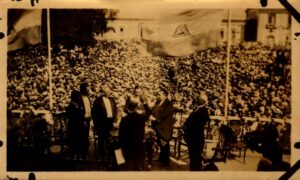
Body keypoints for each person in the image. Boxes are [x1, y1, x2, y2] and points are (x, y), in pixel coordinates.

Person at [118, 96, 151, 170]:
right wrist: (145, 104)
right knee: (136, 164)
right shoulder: (141, 118)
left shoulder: (124, 119)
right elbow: (148, 113)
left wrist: (121, 145)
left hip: (127, 148)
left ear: (128, 109)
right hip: (137, 146)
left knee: (127, 164)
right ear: (136, 108)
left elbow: (120, 135)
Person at [183, 92, 210, 171]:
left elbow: (197, 125)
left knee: (196, 158)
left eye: (198, 99)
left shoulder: (203, 111)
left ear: (202, 101)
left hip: (196, 138)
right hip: (193, 138)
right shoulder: (198, 109)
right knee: (192, 158)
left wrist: (187, 126)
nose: (196, 100)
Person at [92, 83, 118, 164]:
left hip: (111, 122)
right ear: (103, 91)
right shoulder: (98, 101)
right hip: (102, 123)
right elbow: (94, 114)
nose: (109, 91)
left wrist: (114, 121)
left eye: (109, 90)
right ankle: (101, 156)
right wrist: (97, 125)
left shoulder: (112, 100)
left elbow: (115, 111)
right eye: (107, 90)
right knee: (101, 140)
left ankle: (110, 154)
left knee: (111, 139)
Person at [151, 88, 175, 167]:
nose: (158, 96)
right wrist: (152, 115)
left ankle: (165, 162)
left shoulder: (169, 104)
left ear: (165, 96)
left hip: (165, 127)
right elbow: (153, 110)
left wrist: (156, 119)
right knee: (160, 143)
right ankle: (161, 158)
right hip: (158, 126)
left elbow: (165, 114)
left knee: (164, 144)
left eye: (160, 94)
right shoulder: (158, 102)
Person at [66, 90, 84, 159]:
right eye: (79, 97)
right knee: (74, 143)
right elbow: (74, 118)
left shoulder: (77, 106)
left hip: (77, 127)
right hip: (74, 128)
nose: (80, 98)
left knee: (77, 143)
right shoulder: (71, 107)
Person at [79, 82, 92, 160]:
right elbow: (80, 111)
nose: (89, 89)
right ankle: (82, 153)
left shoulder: (87, 97)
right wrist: (82, 120)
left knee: (86, 135)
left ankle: (85, 152)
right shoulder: (80, 98)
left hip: (87, 119)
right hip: (82, 120)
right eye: (87, 88)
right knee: (82, 136)